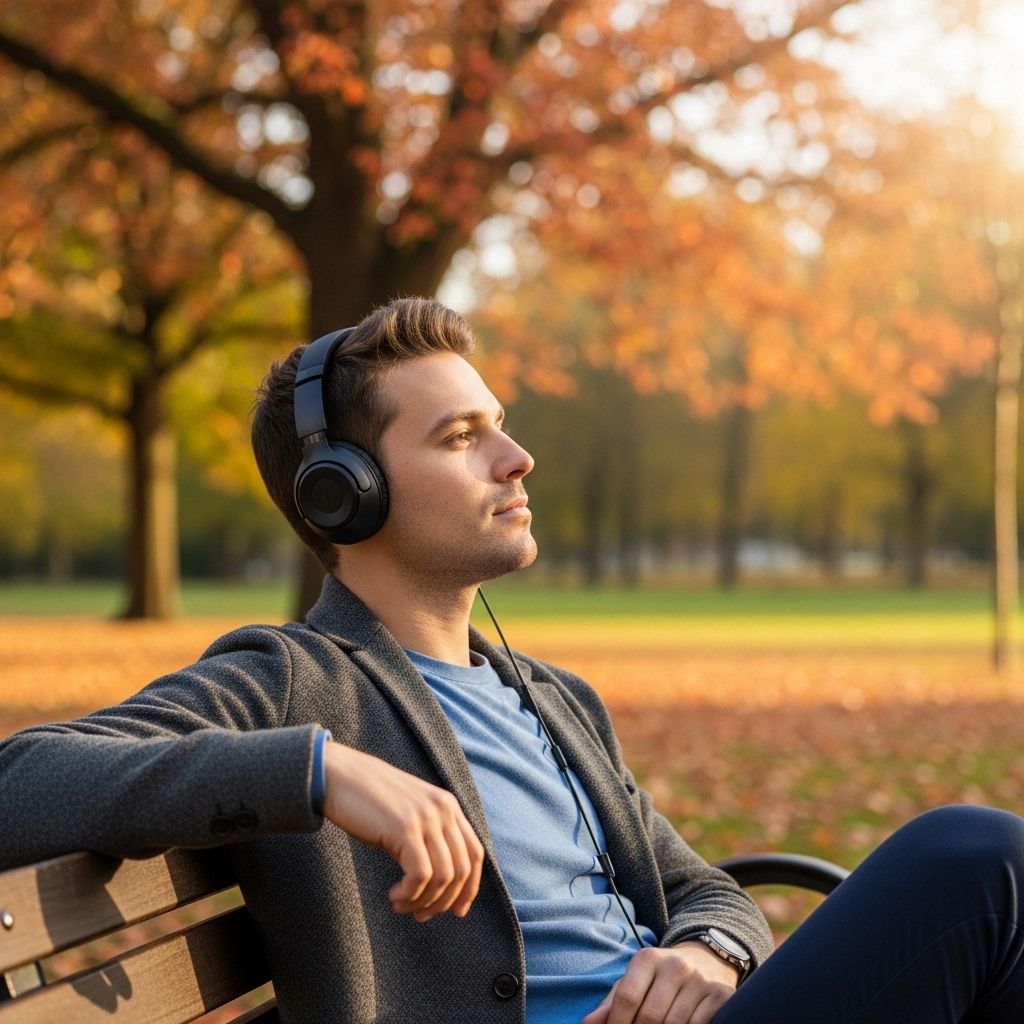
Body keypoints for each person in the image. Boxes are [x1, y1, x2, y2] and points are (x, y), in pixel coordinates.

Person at [1, 297, 1023, 1024]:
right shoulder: (291, 682)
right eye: (460, 436)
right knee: (974, 859)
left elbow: (703, 886)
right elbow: (22, 780)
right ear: (341, 494)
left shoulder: (548, 697)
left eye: (500, 424)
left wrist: (711, 951)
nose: (516, 457)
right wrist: (320, 769)